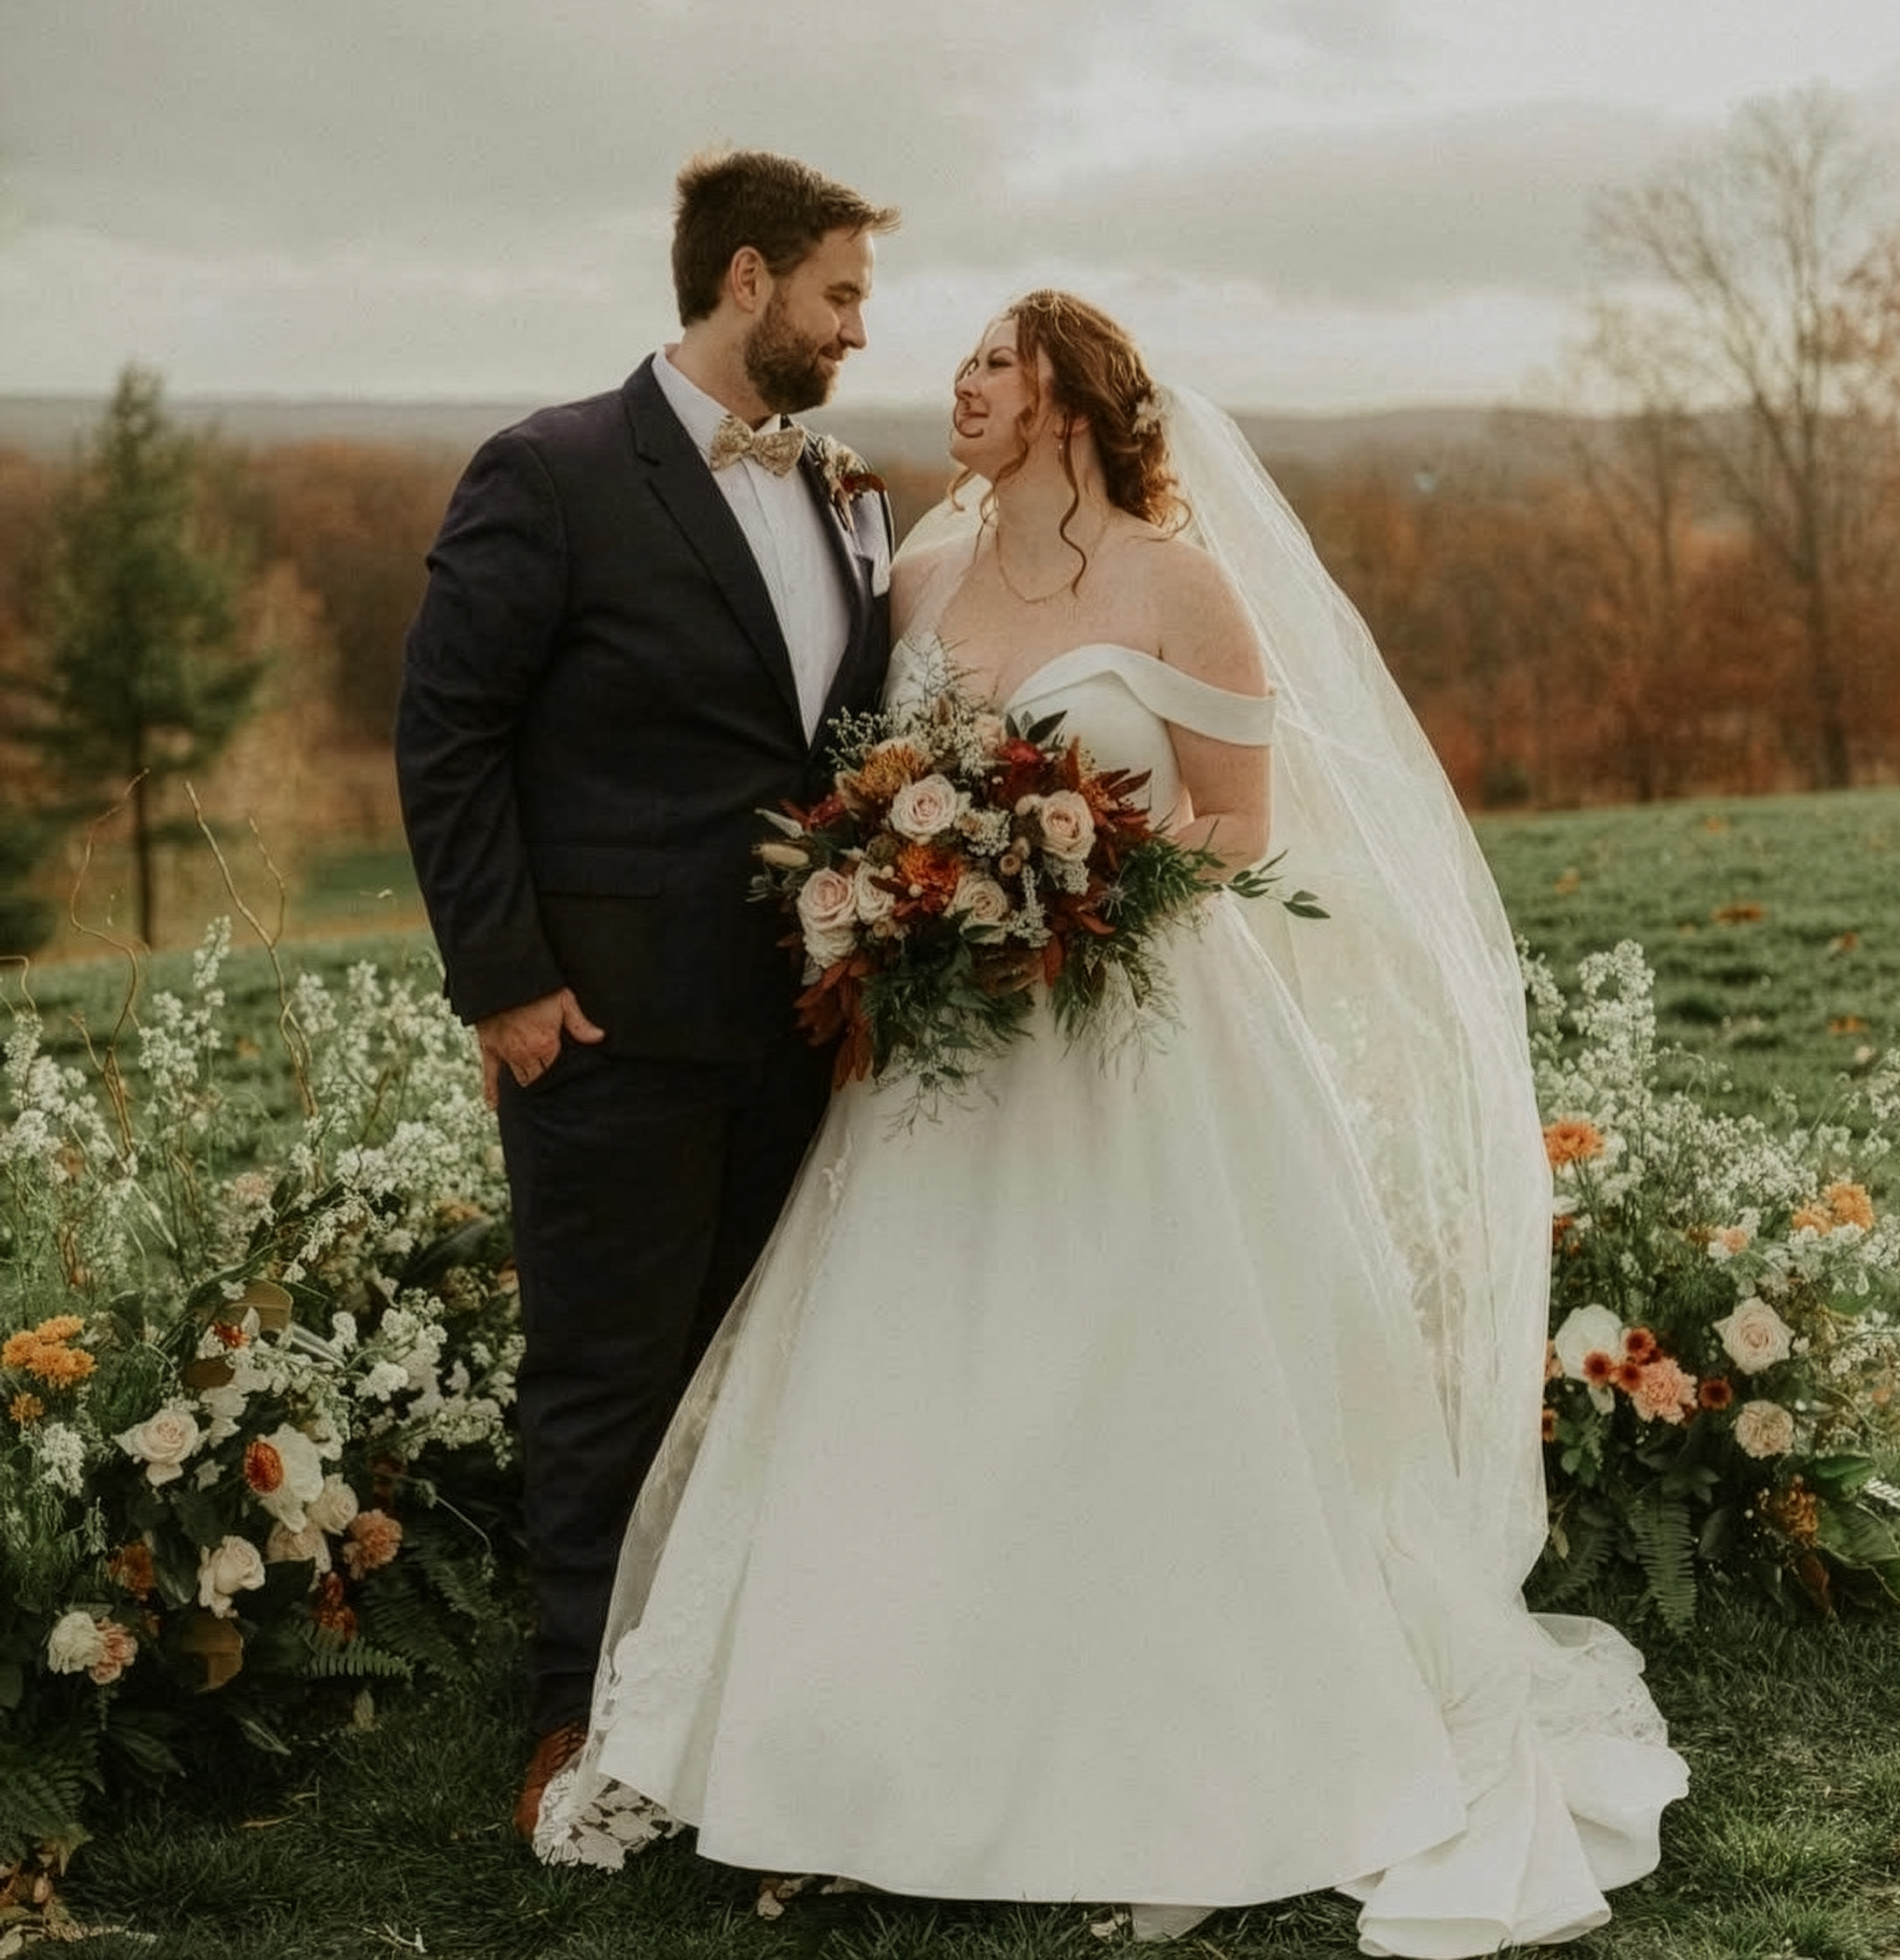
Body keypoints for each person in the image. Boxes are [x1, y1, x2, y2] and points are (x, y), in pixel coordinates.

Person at [533, 290, 1690, 1950]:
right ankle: (857, 1759)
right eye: (964, 363)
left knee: (1139, 1379)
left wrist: (1070, 896)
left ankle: (1164, 1753)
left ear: (1073, 398)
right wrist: (917, 905)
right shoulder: (919, 569)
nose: (962, 383)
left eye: (996, 363)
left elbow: (1233, 826)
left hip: (1135, 1044)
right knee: (915, 1387)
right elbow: (861, 788)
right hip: (941, 1072)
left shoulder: (1181, 583)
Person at [394, 148, 901, 1838]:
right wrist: (507, 983)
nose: (855, 329)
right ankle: (571, 1721)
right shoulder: (546, 471)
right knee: (605, 1379)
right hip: (602, 1023)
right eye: (839, 294)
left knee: (745, 1371)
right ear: (747, 280)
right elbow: (447, 731)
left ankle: (719, 1701)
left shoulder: (843, 488)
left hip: (800, 1027)